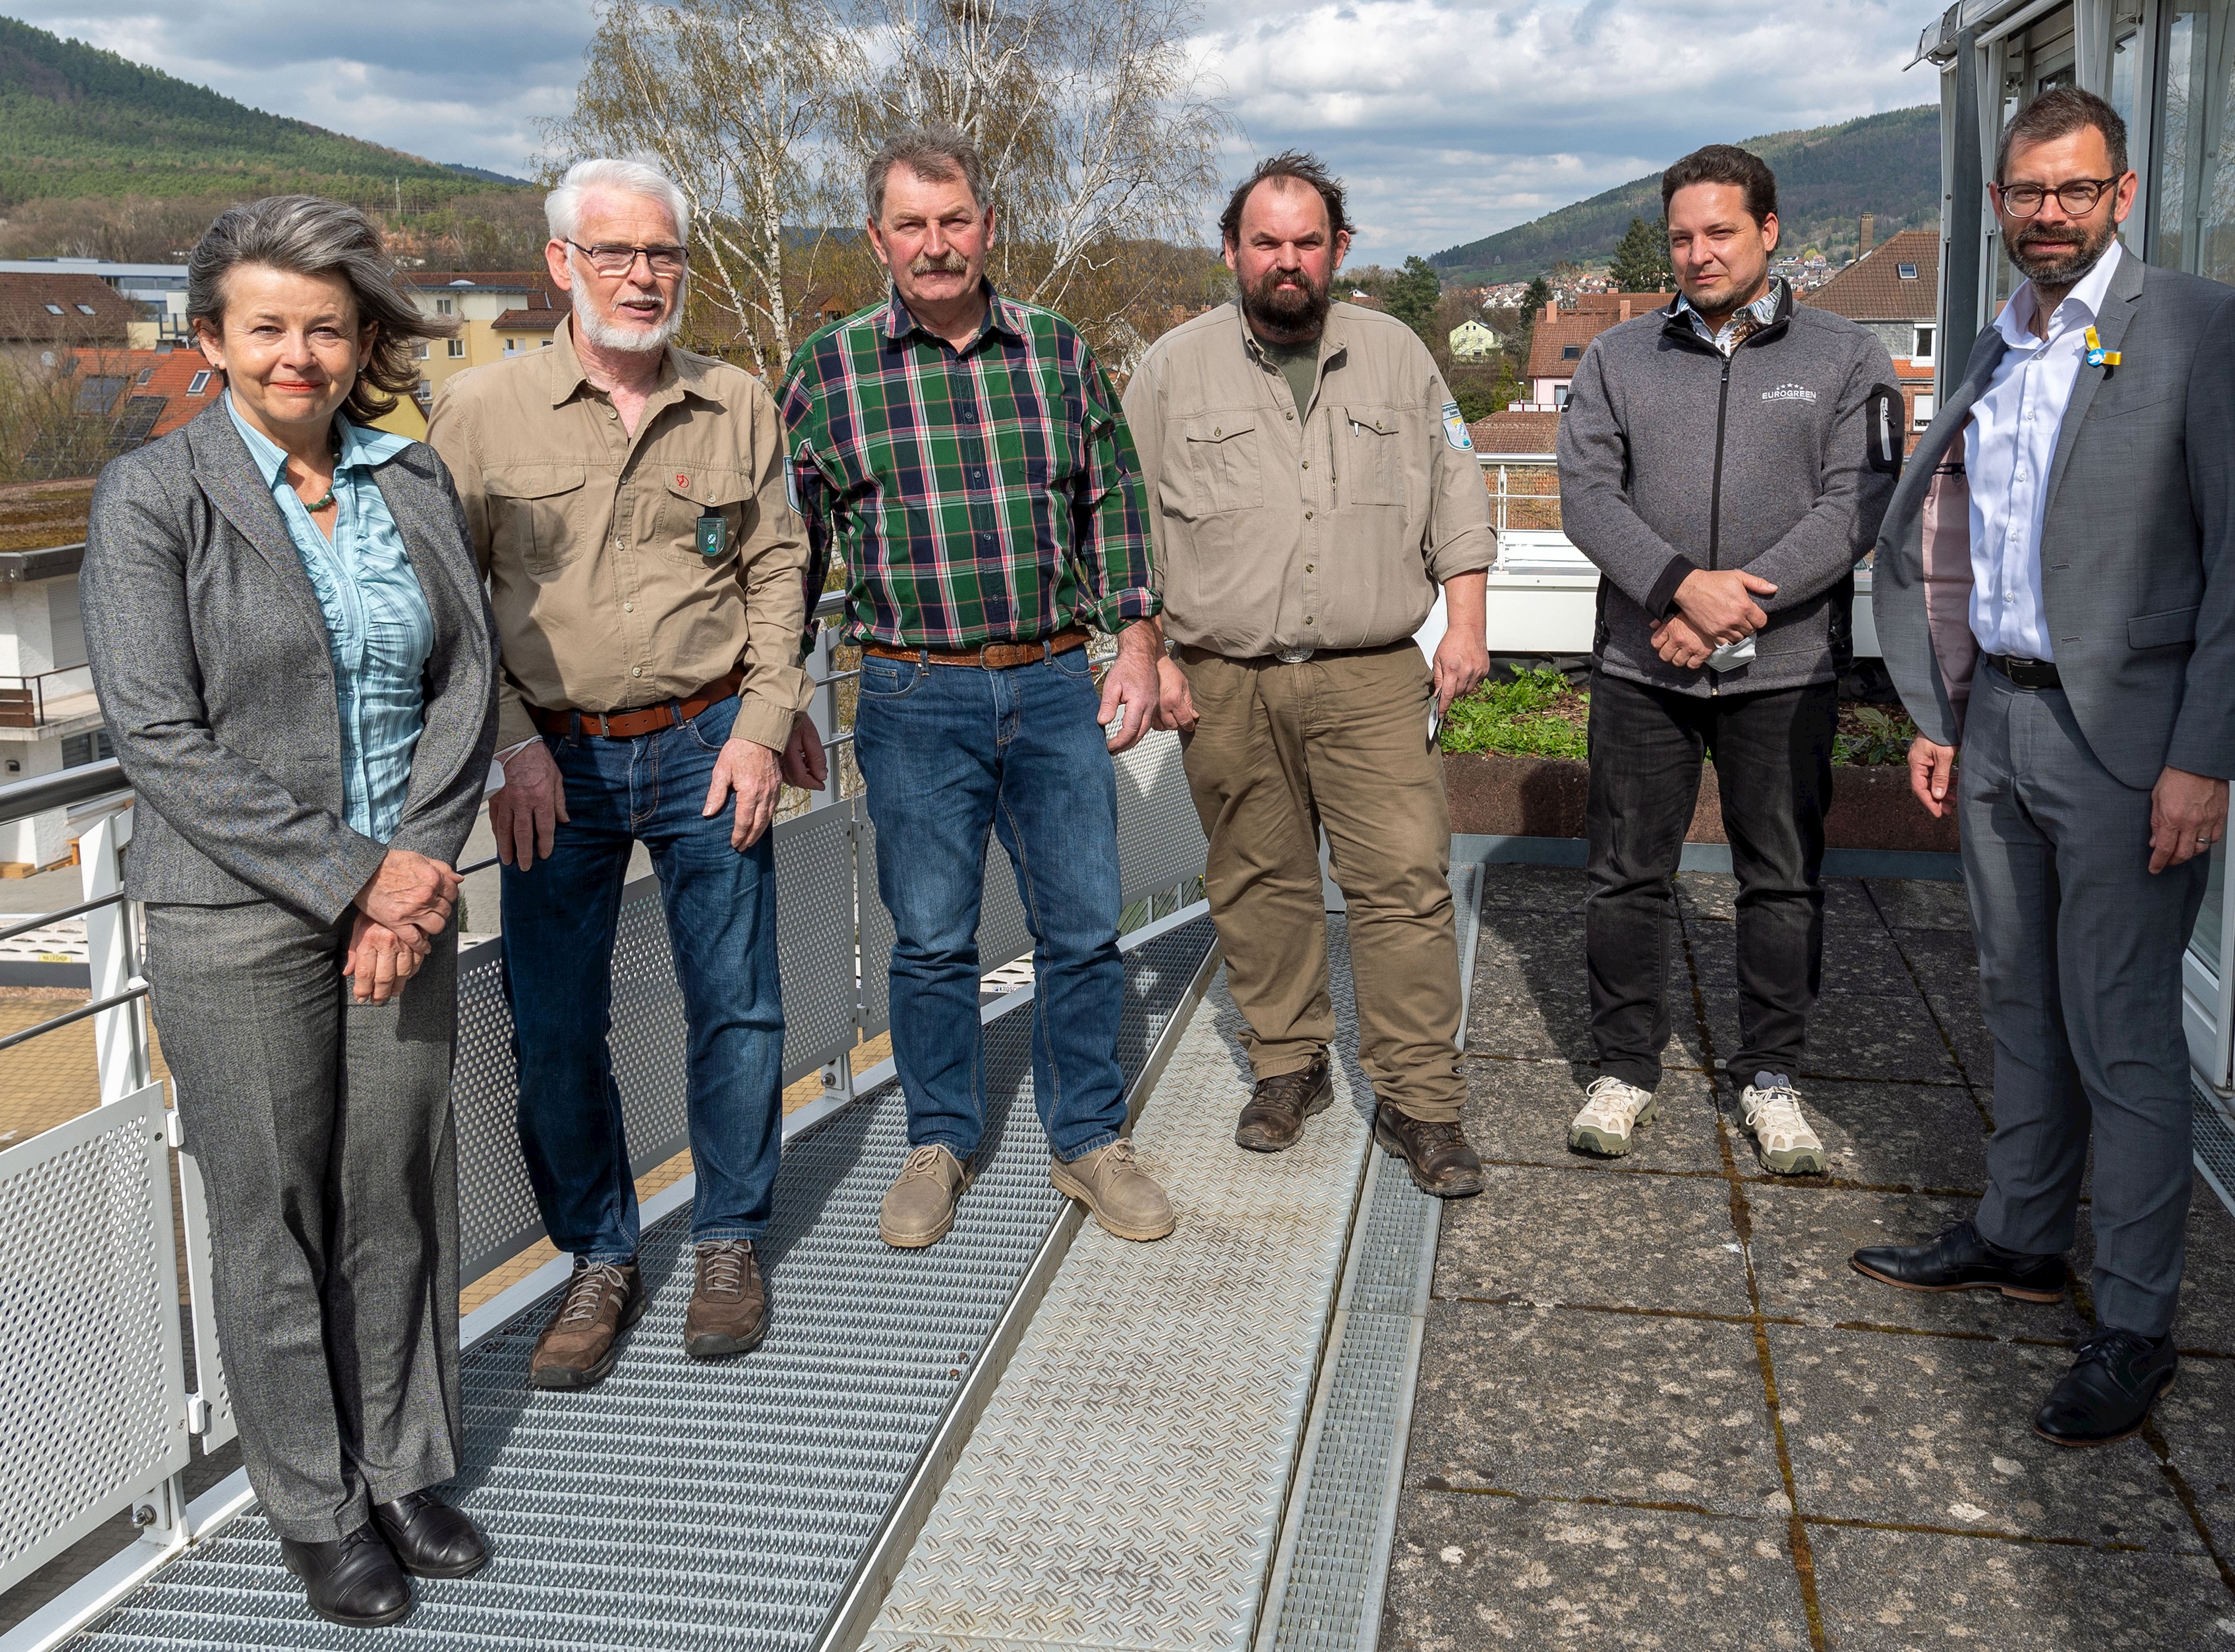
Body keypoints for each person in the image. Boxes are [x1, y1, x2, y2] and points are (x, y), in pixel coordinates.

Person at [1856, 88, 2235, 1447]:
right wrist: (1936, 711)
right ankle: (2018, 1231)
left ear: (2121, 191)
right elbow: (1948, 543)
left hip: (2132, 746)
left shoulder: (2201, 329)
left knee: (2118, 1028)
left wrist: (2203, 760)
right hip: (1996, 724)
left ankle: (2135, 1320)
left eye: (2071, 190)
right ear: (1994, 205)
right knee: (2012, 998)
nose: (2046, 214)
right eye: (2023, 193)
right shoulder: (1996, 346)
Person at [83, 195, 498, 1628]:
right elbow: (157, 733)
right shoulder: (156, 496)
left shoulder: (413, 480)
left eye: (327, 326)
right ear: (211, 339)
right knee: (272, 1216)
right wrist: (352, 874)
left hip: (410, 899)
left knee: (396, 1192)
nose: (298, 354)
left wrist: (419, 867)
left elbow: (467, 684)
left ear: (365, 338)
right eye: (266, 327)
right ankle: (314, 1508)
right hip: (237, 915)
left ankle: (402, 1465)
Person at [427, 158, 821, 1392]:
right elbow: (452, 603)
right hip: (555, 764)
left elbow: (777, 568)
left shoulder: (737, 400)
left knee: (739, 1006)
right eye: (615, 254)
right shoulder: (480, 415)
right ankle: (599, 1255)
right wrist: (507, 744)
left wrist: (765, 721)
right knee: (552, 1028)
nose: (642, 277)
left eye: (662, 255)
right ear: (560, 266)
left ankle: (726, 1239)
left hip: (711, 742)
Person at [778, 126, 1173, 1249]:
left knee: (1084, 929)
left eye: (956, 222)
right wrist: (784, 704)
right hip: (910, 699)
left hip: (1052, 683)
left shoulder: (1057, 350)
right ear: (877, 239)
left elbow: (1115, 505)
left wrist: (1136, 642)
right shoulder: (828, 370)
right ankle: (939, 1139)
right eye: (912, 224)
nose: (937, 245)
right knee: (932, 939)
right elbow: (789, 556)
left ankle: (1088, 1139)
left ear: (989, 227)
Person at [1124, 152, 1495, 1198]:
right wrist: (1144, 654)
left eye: (1306, 242)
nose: (1286, 262)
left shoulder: (1398, 356)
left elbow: (1458, 494)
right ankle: (1289, 1066)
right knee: (1256, 881)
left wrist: (1463, 624)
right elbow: (1125, 529)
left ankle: (1421, 1100)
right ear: (1232, 251)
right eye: (1265, 242)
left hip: (1373, 675)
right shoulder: (1170, 369)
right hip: (1225, 680)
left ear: (1339, 248)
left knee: (1405, 886)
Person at [1557, 145, 1903, 1175]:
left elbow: (1858, 507)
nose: (1699, 253)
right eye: (1681, 236)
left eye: (1720, 232)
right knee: (1625, 876)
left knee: (1784, 878)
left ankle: (1771, 1078)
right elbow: (1586, 498)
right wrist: (1676, 586)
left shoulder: (1849, 357)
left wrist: (1721, 612)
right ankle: (1623, 1068)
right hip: (1640, 668)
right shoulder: (1617, 358)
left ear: (1771, 230)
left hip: (1785, 673)